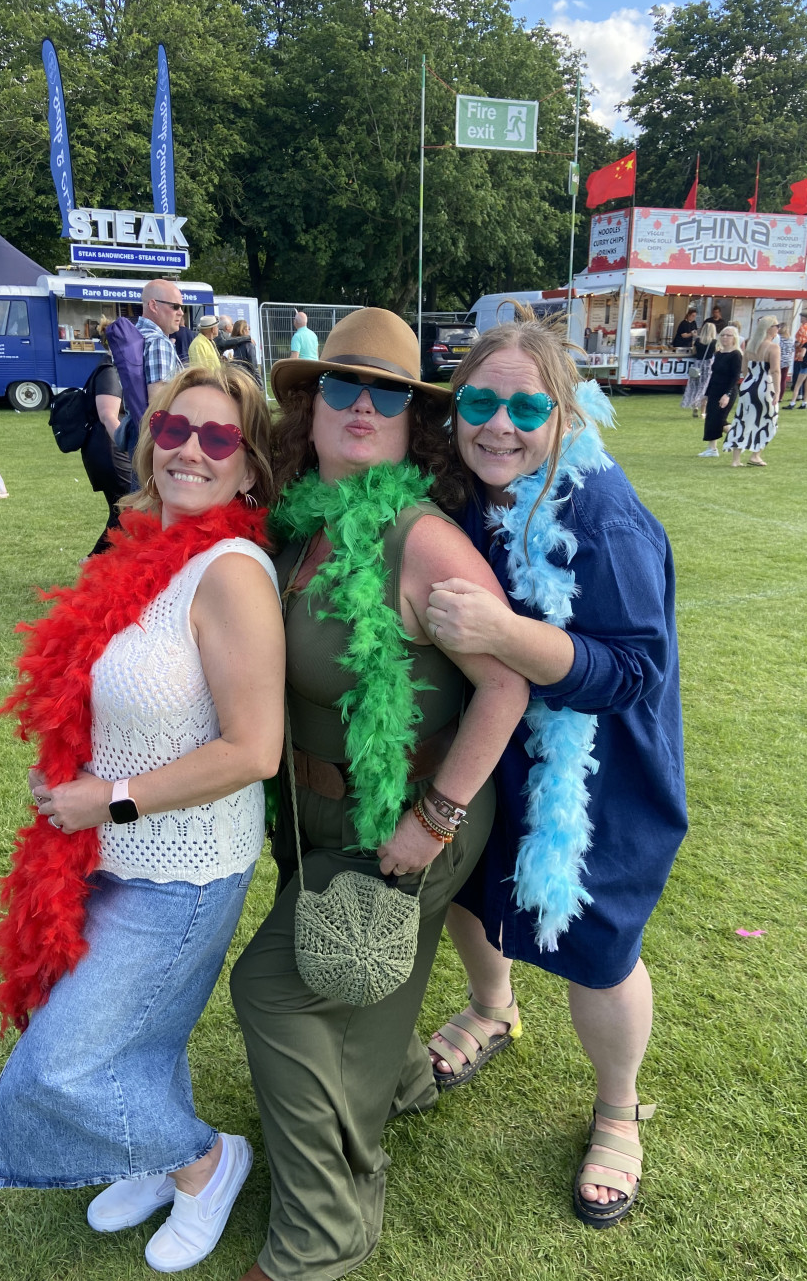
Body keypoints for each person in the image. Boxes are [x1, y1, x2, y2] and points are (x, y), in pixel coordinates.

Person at [230, 308, 528, 1281]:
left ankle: (325, 1232)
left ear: (410, 421)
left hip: (410, 813)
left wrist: (432, 816)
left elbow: (505, 683)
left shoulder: (421, 540)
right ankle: (398, 1075)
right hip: (308, 812)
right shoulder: (292, 523)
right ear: (309, 409)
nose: (362, 405)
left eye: (387, 392)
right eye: (341, 387)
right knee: (351, 974)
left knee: (273, 991)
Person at [0, 362, 285, 1275]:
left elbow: (253, 750)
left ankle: (203, 1158)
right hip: (106, 855)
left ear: (249, 468)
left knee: (57, 1067)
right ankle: (156, 1158)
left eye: (220, 437)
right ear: (149, 438)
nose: (193, 449)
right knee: (141, 1034)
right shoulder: (142, 547)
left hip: (184, 872)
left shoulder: (232, 574)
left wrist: (104, 795)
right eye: (176, 429)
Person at [422, 309, 687, 1229]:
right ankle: (492, 1007)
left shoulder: (603, 514)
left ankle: (619, 1108)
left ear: (564, 415)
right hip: (494, 746)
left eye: (525, 406)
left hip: (597, 770)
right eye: (480, 401)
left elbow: (633, 670)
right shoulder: (459, 492)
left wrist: (509, 635)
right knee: (472, 887)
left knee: (599, 942)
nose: (499, 423)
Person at [80, 351, 133, 555]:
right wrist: (127, 445)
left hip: (109, 446)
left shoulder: (114, 369)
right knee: (128, 506)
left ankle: (100, 560)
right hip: (110, 447)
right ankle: (95, 559)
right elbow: (107, 415)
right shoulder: (110, 370)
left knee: (123, 507)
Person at [725, 315, 780, 466]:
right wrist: (778, 390)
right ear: (770, 329)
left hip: (749, 384)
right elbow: (775, 371)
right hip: (764, 385)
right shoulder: (773, 347)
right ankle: (756, 455)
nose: (778, 329)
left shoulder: (750, 346)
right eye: (777, 326)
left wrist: (750, 379)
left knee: (742, 420)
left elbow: (744, 369)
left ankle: (736, 459)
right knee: (769, 420)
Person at [697, 326, 743, 456]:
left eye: (728, 335)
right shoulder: (718, 353)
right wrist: (706, 394)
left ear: (734, 338)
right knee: (711, 419)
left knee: (719, 420)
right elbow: (714, 374)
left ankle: (738, 436)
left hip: (727, 390)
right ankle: (712, 448)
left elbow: (735, 377)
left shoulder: (736, 355)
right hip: (715, 389)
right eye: (722, 335)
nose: (724, 338)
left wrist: (727, 394)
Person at [136, 278, 185, 400]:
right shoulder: (159, 342)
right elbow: (158, 403)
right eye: (175, 306)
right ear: (153, 306)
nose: (181, 312)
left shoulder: (137, 335)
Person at [680, 321, 717, 415]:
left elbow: (694, 352)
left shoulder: (697, 341)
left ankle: (695, 405)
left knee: (694, 386)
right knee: (705, 387)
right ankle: (703, 412)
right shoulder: (714, 342)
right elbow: (717, 352)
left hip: (697, 364)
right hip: (708, 365)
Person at [785, 327, 807, 410]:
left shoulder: (806, 344)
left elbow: (802, 355)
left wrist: (799, 355)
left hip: (806, 365)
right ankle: (804, 402)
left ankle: (792, 402)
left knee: (798, 384)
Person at [229, 319, 261, 386]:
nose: (249, 330)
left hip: (234, 376)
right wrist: (260, 385)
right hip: (247, 379)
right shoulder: (249, 345)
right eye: (248, 328)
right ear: (244, 330)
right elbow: (254, 366)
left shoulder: (230, 344)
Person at [778, 323, 795, 396]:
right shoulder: (790, 339)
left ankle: (776, 394)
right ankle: (780, 396)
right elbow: (792, 350)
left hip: (778, 359)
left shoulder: (778, 338)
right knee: (783, 379)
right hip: (787, 360)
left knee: (776, 378)